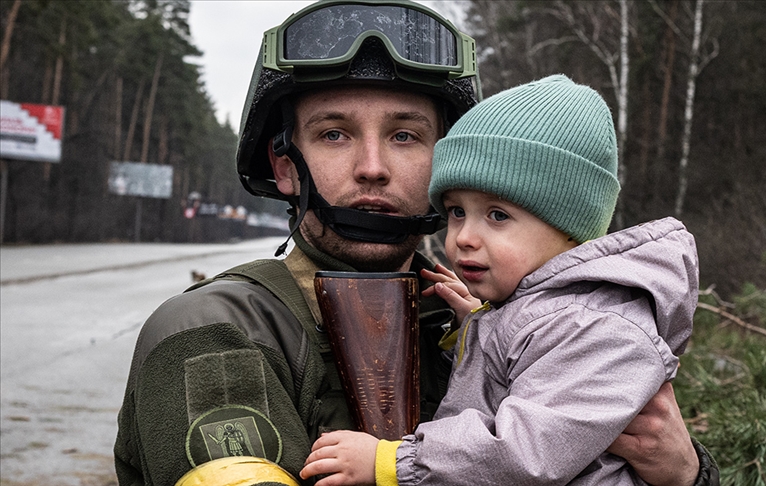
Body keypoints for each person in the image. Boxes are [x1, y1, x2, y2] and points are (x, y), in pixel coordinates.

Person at [113, 2, 718, 485]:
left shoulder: (520, 315)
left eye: (405, 136)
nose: (373, 167)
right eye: (334, 134)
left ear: (447, 163)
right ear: (285, 165)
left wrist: (684, 474)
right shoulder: (215, 332)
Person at [298, 75, 701, 485]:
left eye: (497, 216)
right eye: (457, 212)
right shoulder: (541, 313)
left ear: (570, 231)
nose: (465, 238)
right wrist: (480, 325)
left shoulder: (596, 328)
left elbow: (524, 453)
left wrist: (391, 462)